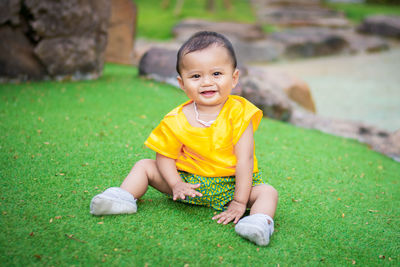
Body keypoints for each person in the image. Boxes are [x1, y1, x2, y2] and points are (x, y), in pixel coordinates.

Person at [90, 31, 278, 246]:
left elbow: (245, 160)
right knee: (144, 166)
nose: (207, 82)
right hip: (190, 186)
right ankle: (121, 198)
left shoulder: (240, 113)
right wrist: (176, 183)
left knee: (267, 192)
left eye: (217, 74)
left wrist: (239, 201)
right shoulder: (175, 119)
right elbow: (164, 157)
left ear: (234, 78)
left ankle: (258, 223)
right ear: (182, 83)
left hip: (233, 185)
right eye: (196, 76)